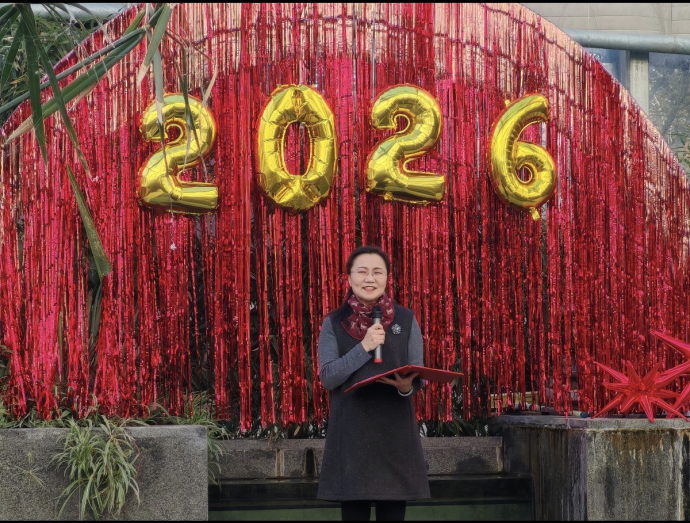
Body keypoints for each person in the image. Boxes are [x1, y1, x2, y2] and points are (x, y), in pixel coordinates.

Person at [316, 245, 430, 521]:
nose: (370, 278)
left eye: (377, 272)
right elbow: (328, 377)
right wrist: (364, 346)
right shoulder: (333, 322)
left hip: (395, 436)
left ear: (387, 278)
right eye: (362, 272)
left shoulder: (406, 319)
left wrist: (407, 387)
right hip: (351, 437)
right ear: (349, 277)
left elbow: (419, 376)